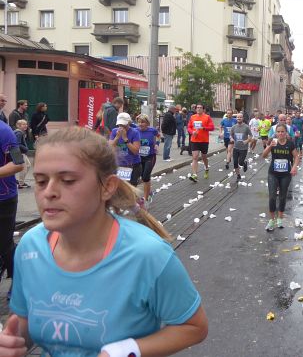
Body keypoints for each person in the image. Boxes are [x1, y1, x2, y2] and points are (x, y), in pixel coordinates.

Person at [1, 127, 208, 355]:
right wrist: (12, 343)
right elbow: (23, 320)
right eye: (40, 182)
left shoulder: (148, 254)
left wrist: (126, 351)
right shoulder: (30, 247)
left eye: (67, 180)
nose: (48, 192)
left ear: (107, 187)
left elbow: (194, 326)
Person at [0, 118, 24, 301]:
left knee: (4, 244)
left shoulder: (4, 131)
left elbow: (18, 163)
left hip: (4, 198)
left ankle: (20, 281)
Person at [262, 123, 299, 231]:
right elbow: (263, 156)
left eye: (282, 131)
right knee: (272, 196)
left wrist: (294, 167)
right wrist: (269, 146)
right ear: (275, 133)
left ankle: (280, 218)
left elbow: (296, 156)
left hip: (285, 174)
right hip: (273, 173)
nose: (280, 133)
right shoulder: (273, 142)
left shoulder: (290, 144)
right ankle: (272, 219)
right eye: (278, 132)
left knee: (282, 196)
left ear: (286, 133)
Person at [109, 112, 142, 187]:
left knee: (131, 189)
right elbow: (110, 148)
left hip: (133, 165)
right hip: (119, 165)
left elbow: (135, 151)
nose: (122, 127)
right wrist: (117, 138)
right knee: (119, 188)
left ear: (129, 123)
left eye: (124, 125)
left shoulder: (135, 132)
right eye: (120, 125)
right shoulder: (114, 131)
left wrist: (125, 139)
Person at [188, 104, 215, 182]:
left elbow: (212, 127)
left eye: (200, 108)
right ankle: (194, 175)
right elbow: (189, 127)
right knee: (195, 157)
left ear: (203, 109)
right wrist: (192, 132)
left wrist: (203, 128)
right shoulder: (192, 117)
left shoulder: (207, 117)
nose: (199, 109)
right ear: (195, 109)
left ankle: (206, 168)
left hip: (204, 141)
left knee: (204, 157)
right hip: (194, 140)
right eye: (197, 108)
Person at [136, 114, 160, 202]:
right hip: (139, 157)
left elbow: (159, 136)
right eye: (139, 122)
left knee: (146, 176)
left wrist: (157, 145)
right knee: (143, 176)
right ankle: (149, 191)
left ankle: (146, 200)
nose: (140, 124)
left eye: (142, 122)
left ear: (147, 123)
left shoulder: (152, 130)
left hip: (150, 156)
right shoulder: (135, 131)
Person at [230, 113, 251, 181]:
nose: (239, 118)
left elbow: (251, 136)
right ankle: (238, 175)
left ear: (243, 118)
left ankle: (244, 163)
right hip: (236, 147)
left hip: (243, 148)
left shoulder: (246, 127)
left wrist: (247, 141)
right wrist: (232, 139)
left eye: (240, 117)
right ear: (236, 118)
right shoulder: (234, 127)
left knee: (240, 162)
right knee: (235, 162)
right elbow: (231, 135)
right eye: (238, 117)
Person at [14, 120, 31, 189]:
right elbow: (18, 143)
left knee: (28, 165)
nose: (25, 126)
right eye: (23, 124)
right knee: (24, 168)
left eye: (26, 124)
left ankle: (20, 181)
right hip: (20, 153)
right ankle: (21, 183)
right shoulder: (19, 133)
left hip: (21, 152)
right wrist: (25, 148)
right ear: (18, 125)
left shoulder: (20, 132)